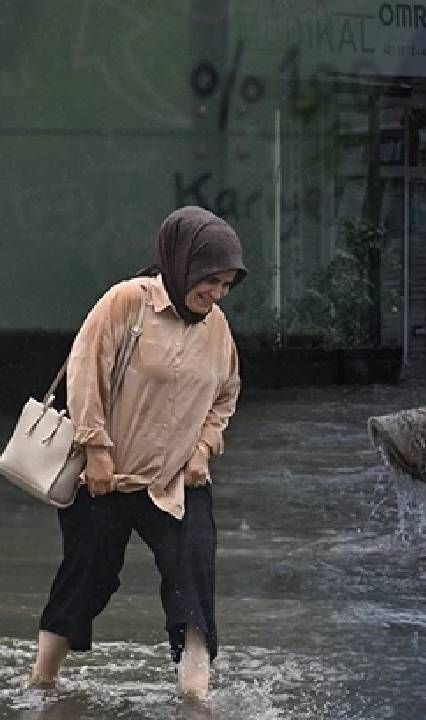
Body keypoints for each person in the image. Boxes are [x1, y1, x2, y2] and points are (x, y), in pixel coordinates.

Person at [28, 206, 247, 702]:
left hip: (176, 484)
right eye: (211, 281)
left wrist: (203, 450)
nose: (217, 295)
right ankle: (42, 682)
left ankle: (195, 700)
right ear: (183, 263)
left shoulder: (216, 327)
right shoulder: (128, 302)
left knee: (194, 587)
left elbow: (225, 395)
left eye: (227, 285)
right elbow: (85, 369)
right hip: (105, 479)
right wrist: (97, 448)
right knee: (88, 580)